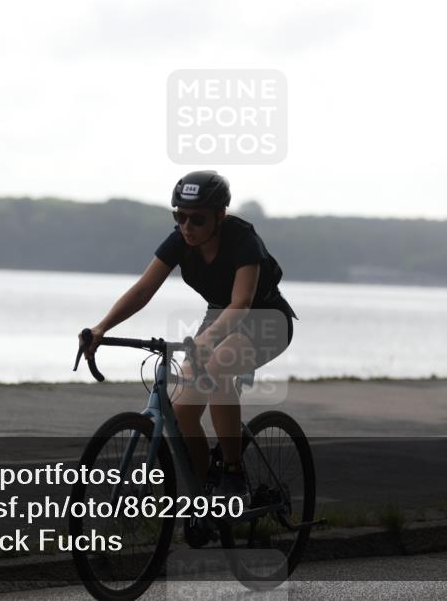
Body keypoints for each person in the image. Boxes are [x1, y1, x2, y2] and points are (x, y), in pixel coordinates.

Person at [81, 170, 297, 501]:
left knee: (218, 367)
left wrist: (208, 342)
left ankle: (233, 472)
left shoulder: (243, 240)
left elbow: (241, 303)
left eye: (197, 219)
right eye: (179, 216)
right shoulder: (180, 241)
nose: (186, 227)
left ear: (220, 215)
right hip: (217, 319)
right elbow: (142, 291)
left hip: (265, 319)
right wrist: (101, 327)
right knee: (182, 411)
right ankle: (206, 491)